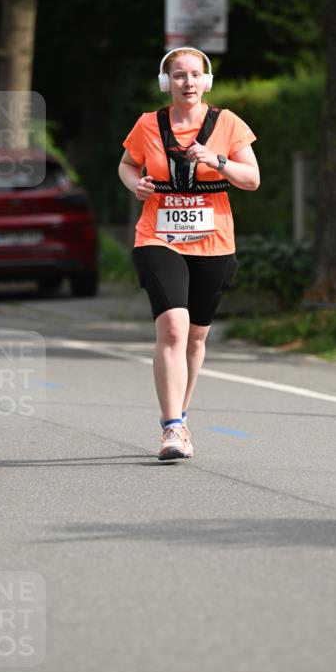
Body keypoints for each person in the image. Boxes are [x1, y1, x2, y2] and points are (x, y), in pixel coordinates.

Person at [119, 47, 259, 461]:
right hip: (158, 237)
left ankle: (181, 413)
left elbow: (251, 179)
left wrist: (217, 160)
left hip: (214, 240)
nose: (188, 82)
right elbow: (127, 165)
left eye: (195, 75)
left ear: (206, 80)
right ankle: (172, 428)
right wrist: (136, 185)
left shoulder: (228, 123)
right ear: (167, 83)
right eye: (178, 76)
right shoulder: (148, 125)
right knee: (175, 328)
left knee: (196, 336)